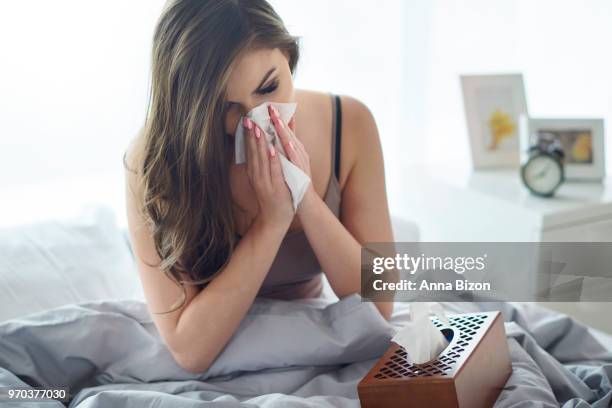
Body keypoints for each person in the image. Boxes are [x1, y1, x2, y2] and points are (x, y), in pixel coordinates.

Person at [123, 0, 394, 374]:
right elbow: (190, 352)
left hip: (311, 340)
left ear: (288, 53)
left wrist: (304, 197)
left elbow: (378, 305)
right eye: (225, 108)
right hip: (220, 350)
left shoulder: (349, 123)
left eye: (269, 87)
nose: (258, 118)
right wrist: (271, 223)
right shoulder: (153, 161)